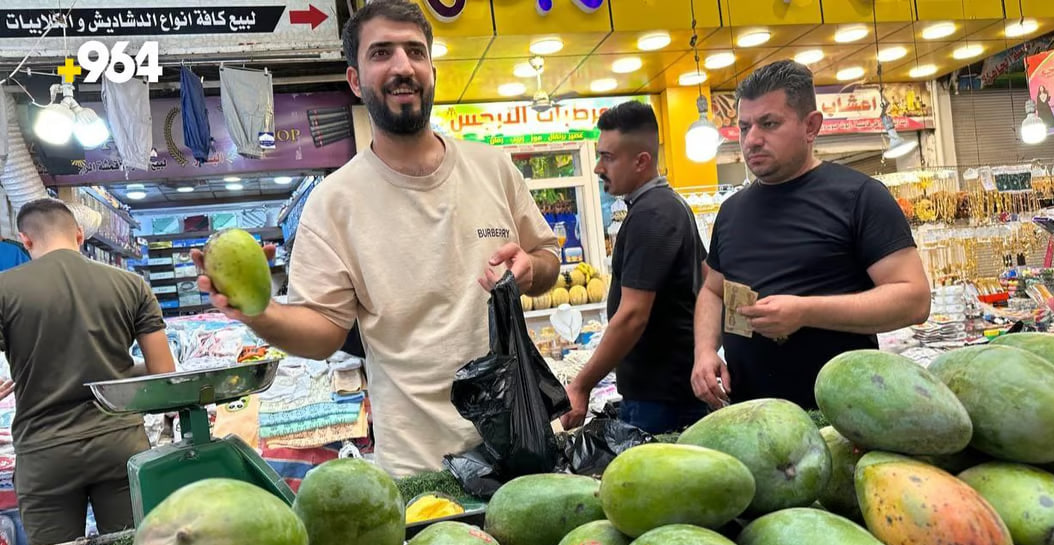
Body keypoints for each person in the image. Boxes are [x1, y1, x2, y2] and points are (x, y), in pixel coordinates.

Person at [195, 0, 560, 477]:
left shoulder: (493, 168)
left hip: (523, 447)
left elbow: (547, 258)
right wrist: (258, 313)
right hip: (419, 466)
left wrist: (531, 269)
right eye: (381, 53)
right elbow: (324, 331)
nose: (402, 66)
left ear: (432, 71)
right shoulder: (334, 203)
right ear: (355, 79)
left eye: (415, 51)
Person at [691, 60, 930, 412]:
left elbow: (914, 300)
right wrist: (705, 351)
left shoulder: (859, 197)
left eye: (769, 124)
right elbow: (714, 291)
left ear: (811, 126)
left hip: (842, 417)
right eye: (744, 127)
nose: (752, 139)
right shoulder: (731, 212)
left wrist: (805, 312)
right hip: (750, 415)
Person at [0, 198, 175, 545]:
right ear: (79, 235)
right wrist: (117, 369)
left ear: (25, 240)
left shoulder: (5, 289)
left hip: (44, 452)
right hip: (120, 444)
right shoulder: (131, 284)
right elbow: (163, 373)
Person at [561, 101, 707, 433]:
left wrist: (581, 386)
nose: (598, 168)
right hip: (670, 391)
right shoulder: (669, 204)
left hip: (661, 400)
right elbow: (708, 281)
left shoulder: (651, 215)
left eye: (607, 157)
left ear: (641, 161)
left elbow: (632, 315)